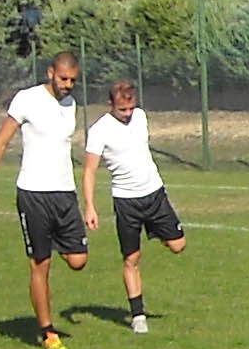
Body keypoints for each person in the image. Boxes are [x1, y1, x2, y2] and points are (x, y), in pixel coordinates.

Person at [0, 51, 87, 349]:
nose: (68, 85)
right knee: (41, 263)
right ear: (50, 73)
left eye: (73, 80)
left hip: (65, 193)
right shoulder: (27, 99)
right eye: (63, 78)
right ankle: (48, 332)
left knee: (78, 260)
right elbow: (1, 142)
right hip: (34, 194)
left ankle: (53, 245)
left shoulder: (71, 104)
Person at [79, 78, 186, 334]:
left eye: (131, 108)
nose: (128, 114)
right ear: (110, 104)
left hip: (154, 194)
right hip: (126, 202)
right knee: (131, 258)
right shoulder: (100, 130)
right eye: (122, 109)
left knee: (178, 245)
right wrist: (90, 206)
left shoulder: (140, 117)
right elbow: (90, 171)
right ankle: (138, 315)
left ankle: (155, 229)